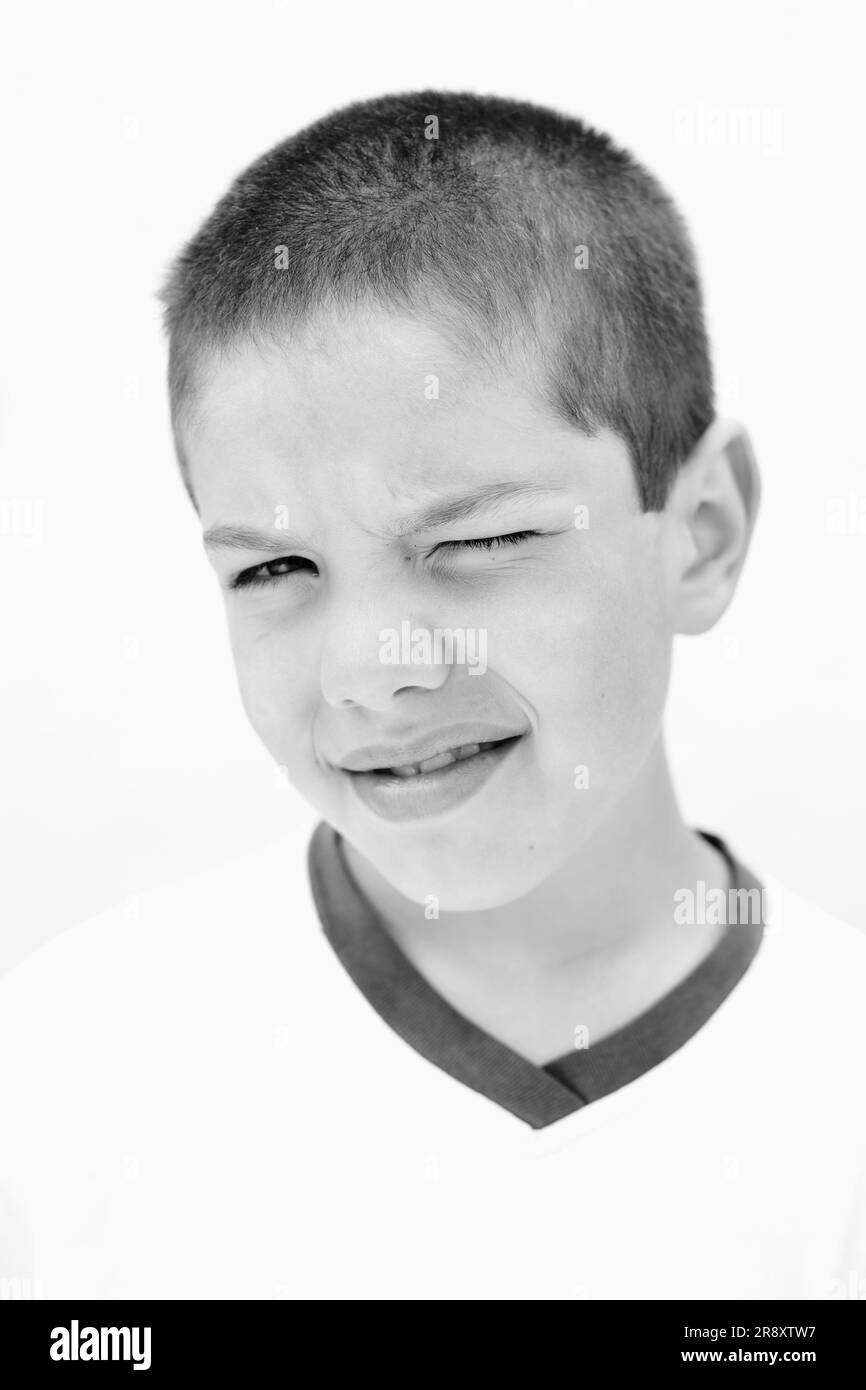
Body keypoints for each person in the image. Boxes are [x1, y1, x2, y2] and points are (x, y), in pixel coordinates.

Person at [2, 91, 864, 1300]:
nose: (371, 665)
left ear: (701, 530)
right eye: (274, 567)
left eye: (477, 541)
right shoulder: (58, 1080)